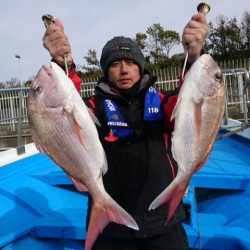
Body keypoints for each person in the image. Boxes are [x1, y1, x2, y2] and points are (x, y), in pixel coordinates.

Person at [43, 13, 208, 250]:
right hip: (111, 229)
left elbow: (194, 98)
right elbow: (67, 111)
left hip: (164, 223)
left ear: (140, 68)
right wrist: (62, 63)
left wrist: (193, 57)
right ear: (106, 72)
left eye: (130, 62)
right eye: (115, 64)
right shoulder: (93, 107)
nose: (124, 70)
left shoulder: (163, 102)